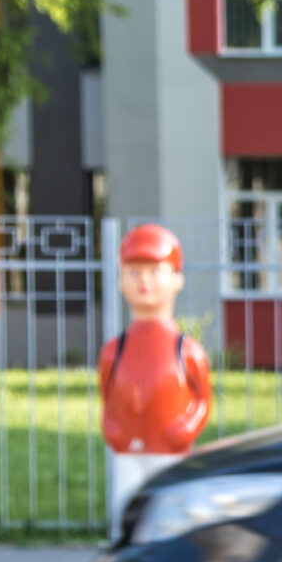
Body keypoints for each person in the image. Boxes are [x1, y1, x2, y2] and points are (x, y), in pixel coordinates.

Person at [97, 223, 213, 531]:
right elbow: (107, 397)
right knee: (126, 512)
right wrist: (113, 429)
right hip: (129, 452)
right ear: (120, 280)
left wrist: (186, 427)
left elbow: (202, 399)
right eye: (134, 272)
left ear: (177, 279)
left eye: (154, 271)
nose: (143, 281)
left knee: (173, 516)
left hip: (170, 451)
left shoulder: (187, 350)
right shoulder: (114, 350)